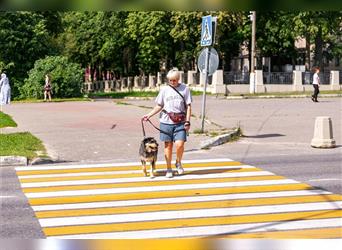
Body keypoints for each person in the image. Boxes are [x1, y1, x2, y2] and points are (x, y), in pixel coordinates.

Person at [142, 68, 192, 178]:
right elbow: (159, 105)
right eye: (170, 80)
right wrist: (149, 115)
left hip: (180, 121)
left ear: (178, 79)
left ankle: (178, 162)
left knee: (180, 144)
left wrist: (188, 121)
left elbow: (188, 106)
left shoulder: (185, 89)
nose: (172, 82)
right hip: (166, 122)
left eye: (174, 80)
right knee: (168, 146)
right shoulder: (164, 90)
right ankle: (169, 168)